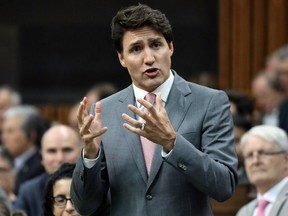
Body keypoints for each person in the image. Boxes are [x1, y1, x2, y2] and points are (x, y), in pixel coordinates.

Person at [71, 4, 238, 216]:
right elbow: (85, 206)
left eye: (156, 45)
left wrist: (172, 142)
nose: (149, 58)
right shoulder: (104, 111)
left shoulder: (209, 102)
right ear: (122, 58)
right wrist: (90, 156)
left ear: (170, 47)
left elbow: (224, 186)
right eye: (136, 49)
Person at [13, 124, 82, 216]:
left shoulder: (95, 185)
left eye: (67, 150)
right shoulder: (28, 191)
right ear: (41, 156)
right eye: (52, 151)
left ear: (81, 152)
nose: (59, 158)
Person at [236, 125, 288, 216]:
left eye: (263, 153)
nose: (255, 161)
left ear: (286, 159)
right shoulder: (244, 212)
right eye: (249, 155)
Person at [1, 105, 47, 195]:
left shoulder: (40, 166)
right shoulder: (7, 161)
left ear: (31, 135)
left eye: (10, 131)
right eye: (3, 132)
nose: (3, 137)